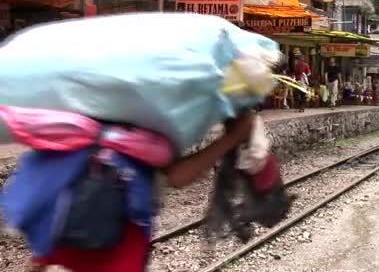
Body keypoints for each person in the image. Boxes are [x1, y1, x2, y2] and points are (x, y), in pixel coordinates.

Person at [26, 112, 256, 272]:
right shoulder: (143, 126)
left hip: (61, 252)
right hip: (120, 258)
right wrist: (234, 137)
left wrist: (39, 257)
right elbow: (177, 175)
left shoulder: (74, 123)